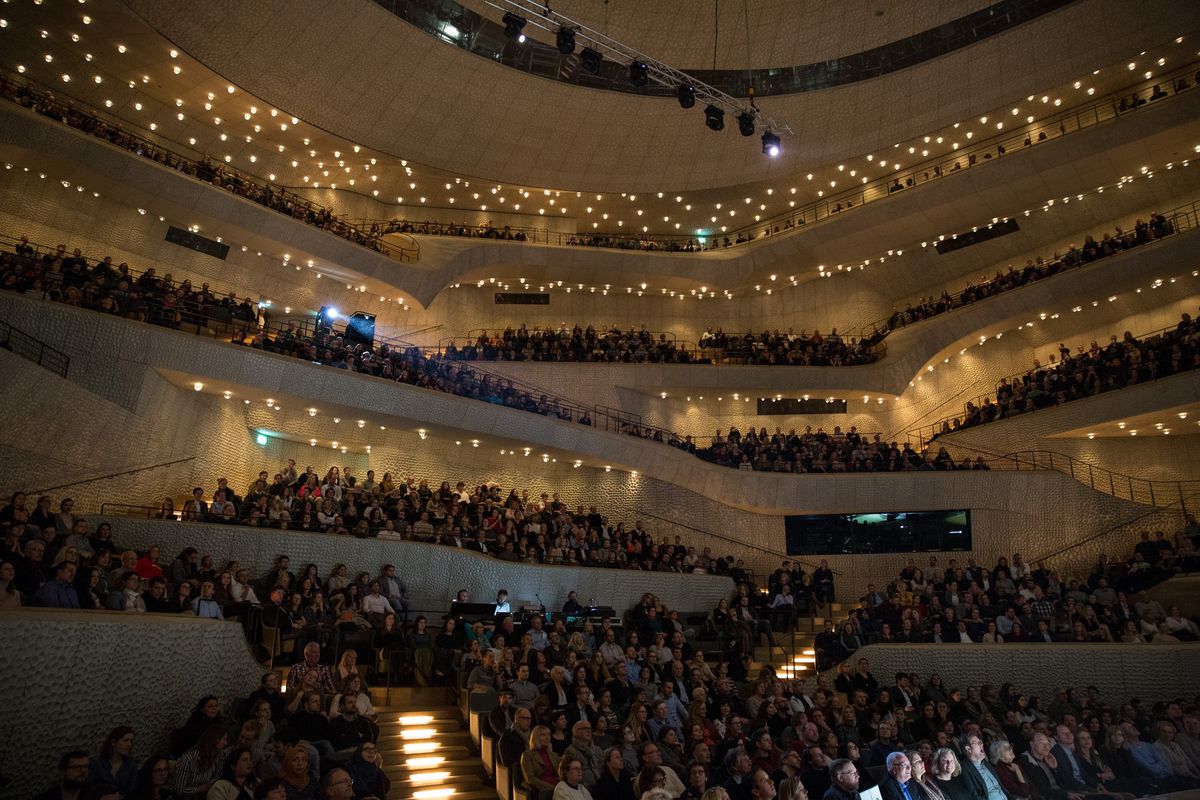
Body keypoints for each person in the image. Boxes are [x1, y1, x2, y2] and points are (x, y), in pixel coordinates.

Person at [171, 725, 228, 798]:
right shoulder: (188, 760)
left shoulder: (219, 758)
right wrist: (202, 788)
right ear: (216, 740)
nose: (226, 743)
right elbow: (179, 789)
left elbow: (215, 780)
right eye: (224, 739)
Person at [88, 726, 139, 796]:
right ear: (113, 742)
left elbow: (132, 792)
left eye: (131, 741)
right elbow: (88, 788)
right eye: (125, 740)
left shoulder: (131, 767)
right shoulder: (98, 764)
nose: (129, 745)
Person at [960, 732, 1009, 800]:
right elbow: (975, 797)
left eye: (980, 742)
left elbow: (1001, 787)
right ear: (968, 749)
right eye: (977, 743)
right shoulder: (964, 769)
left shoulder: (985, 763)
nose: (981, 744)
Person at [522, 725, 561, 800]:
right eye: (543, 735)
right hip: (540, 790)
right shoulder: (527, 755)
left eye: (548, 735)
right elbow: (530, 779)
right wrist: (553, 788)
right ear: (535, 737)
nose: (547, 737)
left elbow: (560, 774)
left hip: (557, 785)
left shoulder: (553, 754)